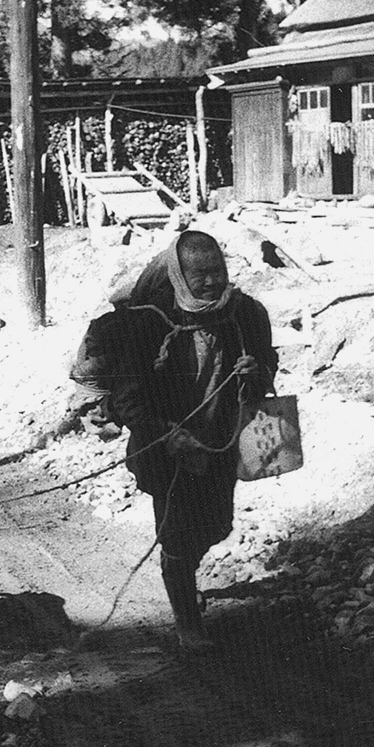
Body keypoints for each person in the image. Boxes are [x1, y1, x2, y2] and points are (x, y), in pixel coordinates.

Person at [111, 229, 277, 651]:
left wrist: (253, 371)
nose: (211, 282)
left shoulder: (246, 315)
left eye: (217, 271)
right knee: (178, 534)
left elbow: (269, 370)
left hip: (222, 443)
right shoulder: (150, 323)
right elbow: (128, 399)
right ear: (180, 276)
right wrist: (167, 434)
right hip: (167, 452)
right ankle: (187, 619)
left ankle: (182, 580)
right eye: (199, 274)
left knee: (217, 526)